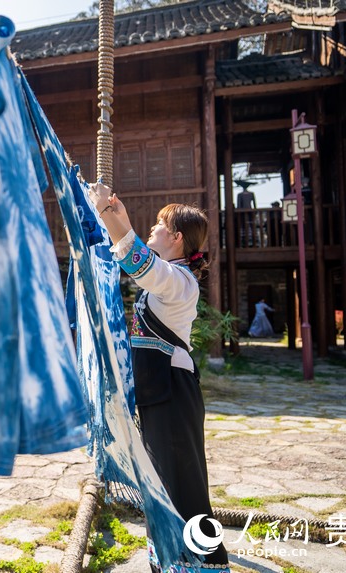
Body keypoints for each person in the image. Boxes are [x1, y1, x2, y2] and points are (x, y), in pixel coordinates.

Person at [88, 183, 229, 573]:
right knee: (162, 486)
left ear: (177, 237)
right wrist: (113, 213)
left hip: (172, 395)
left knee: (182, 486)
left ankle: (201, 565)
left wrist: (107, 213)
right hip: (159, 393)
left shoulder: (181, 283)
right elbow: (137, 255)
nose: (153, 230)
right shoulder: (170, 274)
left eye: (159, 225)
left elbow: (137, 262)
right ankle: (169, 562)